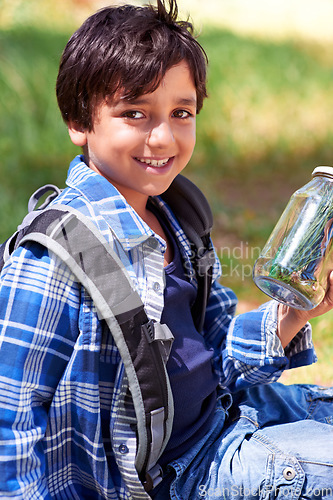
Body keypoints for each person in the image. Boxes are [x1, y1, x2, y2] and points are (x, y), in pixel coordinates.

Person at [0, 1, 332, 498]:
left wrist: (290, 317)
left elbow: (212, 353)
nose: (162, 137)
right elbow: (9, 418)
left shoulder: (179, 220)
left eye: (181, 113)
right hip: (177, 474)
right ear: (78, 121)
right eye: (134, 113)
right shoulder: (58, 256)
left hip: (227, 417)